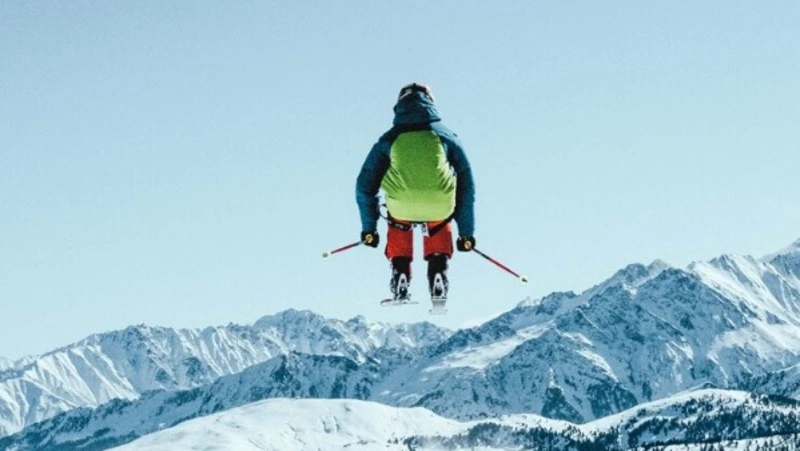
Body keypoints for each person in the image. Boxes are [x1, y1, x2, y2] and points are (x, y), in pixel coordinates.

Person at [356, 83, 476, 302]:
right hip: (440, 205)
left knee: (397, 215)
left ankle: (400, 273)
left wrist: (369, 229)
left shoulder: (388, 139)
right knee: (438, 214)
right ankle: (438, 270)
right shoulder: (446, 136)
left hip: (401, 206)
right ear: (431, 102)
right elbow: (467, 184)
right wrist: (466, 233)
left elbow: (364, 186)